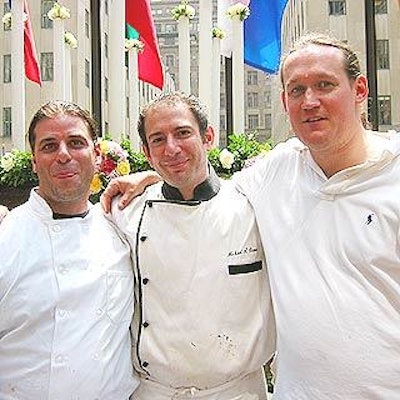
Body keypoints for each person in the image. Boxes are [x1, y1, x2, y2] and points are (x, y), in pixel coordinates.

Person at [103, 33, 400, 399]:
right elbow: (204, 186)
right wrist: (154, 176)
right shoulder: (275, 173)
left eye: (325, 85)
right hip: (296, 392)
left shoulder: (393, 173)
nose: (310, 101)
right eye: (296, 90)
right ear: (284, 101)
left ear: (359, 89)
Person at [107, 92, 275, 399]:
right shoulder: (126, 211)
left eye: (182, 133)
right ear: (146, 151)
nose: (171, 148)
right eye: (158, 140)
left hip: (238, 392)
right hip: (156, 391)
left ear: (208, 136)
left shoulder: (254, 205)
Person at [0, 101, 137, 399]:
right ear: (34, 161)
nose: (64, 155)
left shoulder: (123, 230)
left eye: (75, 143)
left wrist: (149, 178)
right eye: (49, 146)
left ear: (97, 155)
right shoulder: (5, 237)